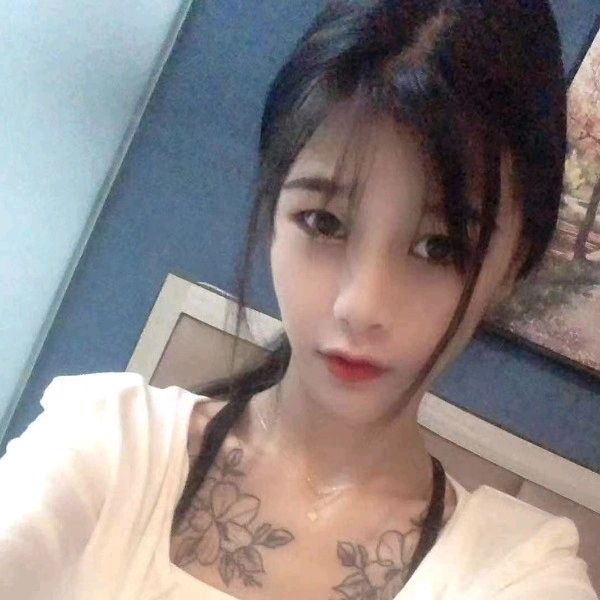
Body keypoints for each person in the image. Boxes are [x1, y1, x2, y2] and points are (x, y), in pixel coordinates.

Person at [0, 1, 597, 599]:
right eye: (325, 222)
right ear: (273, 209)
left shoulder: (516, 572)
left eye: (438, 247)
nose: (360, 306)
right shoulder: (108, 445)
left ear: (515, 263)